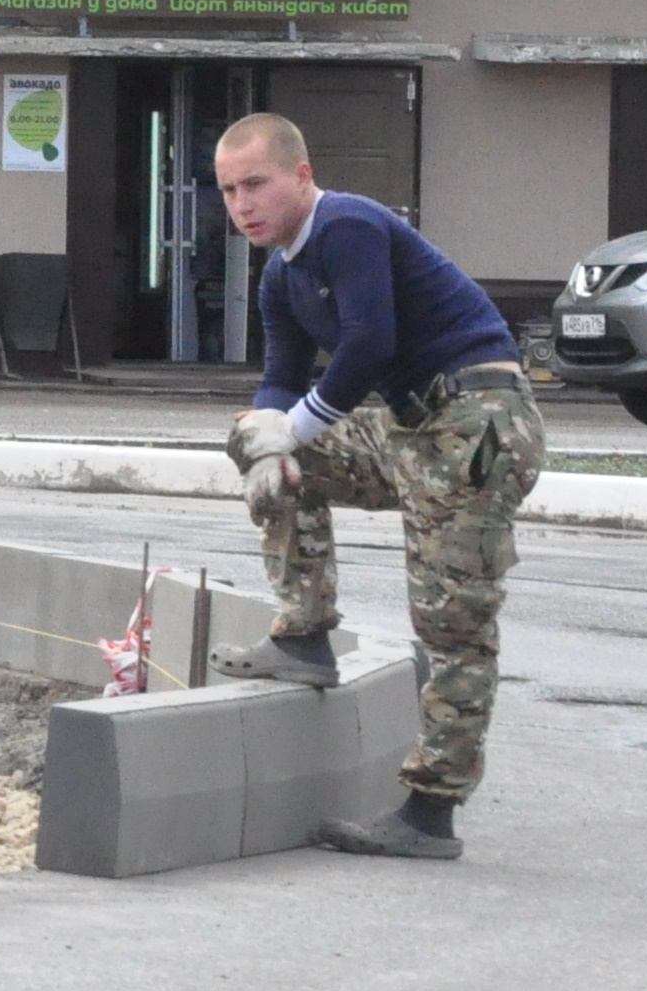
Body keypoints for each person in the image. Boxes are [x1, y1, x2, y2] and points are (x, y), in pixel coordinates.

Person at [209, 109, 545, 862]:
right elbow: (280, 380)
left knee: (451, 623)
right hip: (407, 431)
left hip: (476, 424)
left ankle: (430, 812)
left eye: (255, 184)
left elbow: (370, 340)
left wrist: (293, 430)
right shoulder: (281, 274)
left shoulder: (347, 226)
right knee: (252, 435)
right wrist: (270, 448)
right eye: (229, 191)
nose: (242, 206)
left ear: (302, 175)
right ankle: (303, 634)